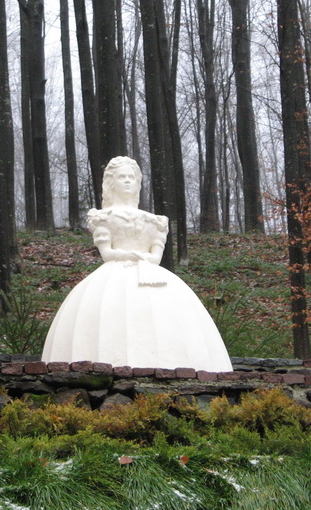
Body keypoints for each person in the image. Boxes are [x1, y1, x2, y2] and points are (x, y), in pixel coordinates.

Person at [42, 156, 232, 372]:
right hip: (112, 278)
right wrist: (128, 255)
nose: (127, 181)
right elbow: (107, 253)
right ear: (111, 183)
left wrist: (143, 259)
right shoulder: (104, 217)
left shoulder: (154, 221)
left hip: (152, 275)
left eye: (131, 177)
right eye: (122, 177)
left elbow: (156, 256)